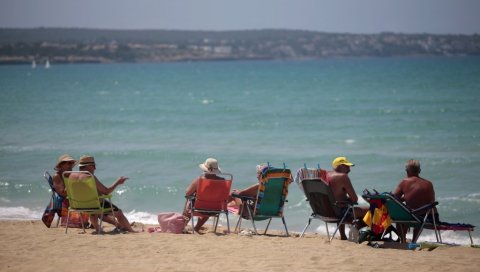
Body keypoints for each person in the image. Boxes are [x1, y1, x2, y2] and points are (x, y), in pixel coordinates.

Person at [68, 155, 136, 233]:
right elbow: (106, 191)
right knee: (119, 212)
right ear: (88, 166)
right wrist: (118, 182)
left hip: (77, 205)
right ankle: (131, 230)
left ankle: (98, 229)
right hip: (94, 204)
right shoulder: (89, 176)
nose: (95, 168)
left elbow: (72, 190)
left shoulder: (71, 176)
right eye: (94, 166)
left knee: (93, 211)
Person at [393, 159, 437, 243]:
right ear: (419, 171)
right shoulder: (429, 183)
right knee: (417, 212)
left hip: (413, 216)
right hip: (430, 217)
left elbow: (395, 199)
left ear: (406, 171)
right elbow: (432, 201)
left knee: (402, 216)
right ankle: (414, 240)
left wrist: (405, 198)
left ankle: (403, 240)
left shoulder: (404, 182)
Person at [327, 156, 368, 240]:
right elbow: (354, 199)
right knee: (370, 211)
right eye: (347, 166)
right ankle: (358, 228)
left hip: (328, 211)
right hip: (341, 212)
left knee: (342, 205)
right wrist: (348, 199)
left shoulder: (326, 175)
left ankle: (343, 235)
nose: (349, 169)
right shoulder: (343, 177)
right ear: (340, 166)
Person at [183, 158, 225, 233]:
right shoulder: (222, 181)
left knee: (189, 201)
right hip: (215, 209)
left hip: (199, 207)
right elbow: (224, 195)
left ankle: (183, 226)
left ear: (205, 169)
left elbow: (187, 193)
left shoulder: (200, 180)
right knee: (209, 203)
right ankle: (197, 228)